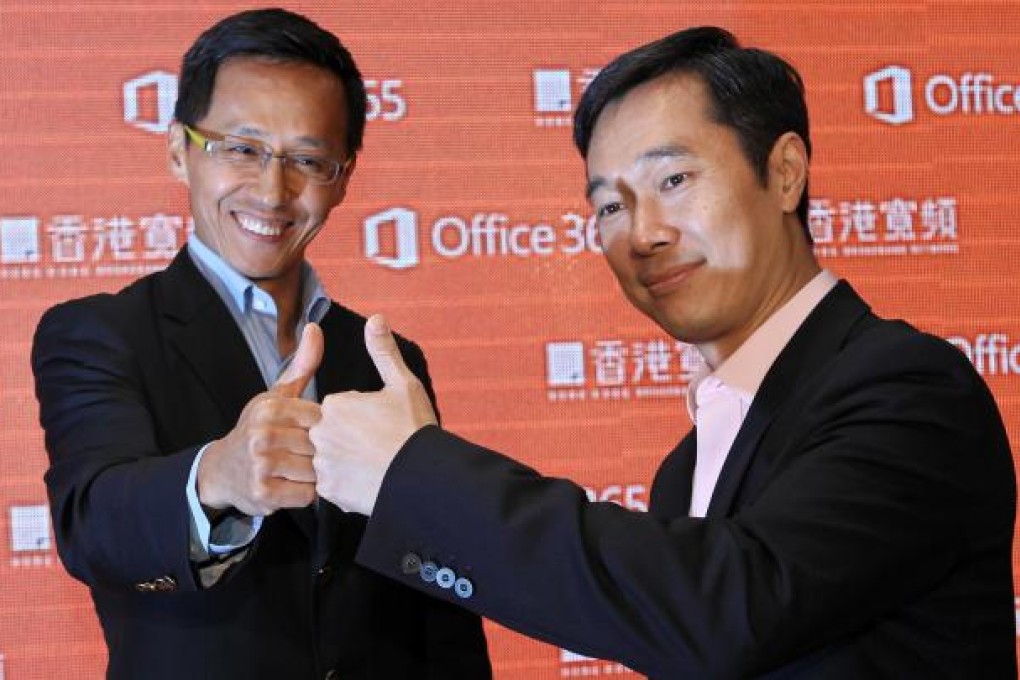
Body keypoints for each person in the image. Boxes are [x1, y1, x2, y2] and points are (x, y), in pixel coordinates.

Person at [306, 26, 1017, 678]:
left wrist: (413, 477)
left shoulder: (908, 388)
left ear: (786, 171)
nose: (642, 234)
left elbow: (729, 608)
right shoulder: (684, 471)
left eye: (673, 181)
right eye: (610, 206)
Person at [31, 8, 490, 680]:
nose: (273, 191)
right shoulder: (100, 333)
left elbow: (436, 594)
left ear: (344, 177)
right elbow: (95, 526)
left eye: (308, 160)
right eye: (241, 149)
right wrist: (219, 475)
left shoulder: (385, 357)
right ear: (178, 150)